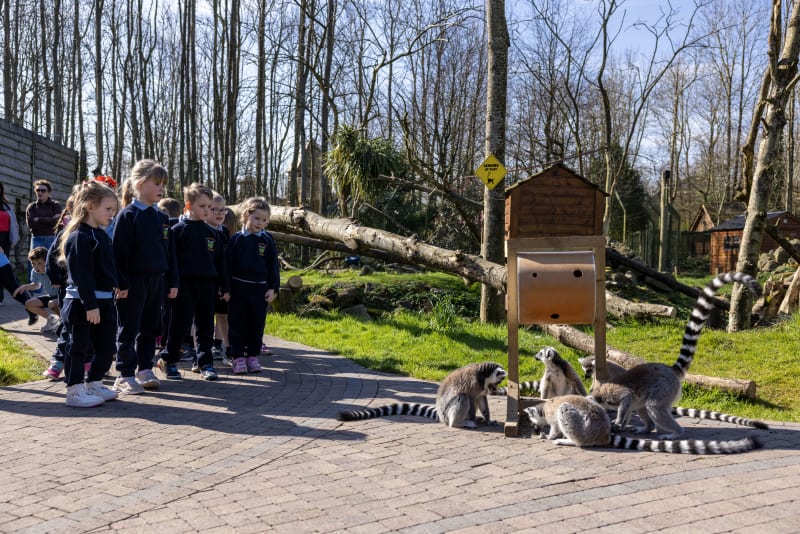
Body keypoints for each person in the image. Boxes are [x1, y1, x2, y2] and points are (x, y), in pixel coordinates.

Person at [112, 160, 178, 395]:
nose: (162, 189)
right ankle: (124, 374)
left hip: (157, 281)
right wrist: (122, 283)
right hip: (132, 282)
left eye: (164, 185)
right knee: (129, 327)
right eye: (157, 183)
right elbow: (119, 253)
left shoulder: (161, 217)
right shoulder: (127, 215)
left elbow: (169, 253)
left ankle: (144, 368)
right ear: (140, 184)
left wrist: (172, 281)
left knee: (151, 326)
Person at [156, 183, 228, 381]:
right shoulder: (178, 230)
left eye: (209, 207)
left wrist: (224, 285)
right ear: (188, 206)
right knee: (180, 325)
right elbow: (172, 260)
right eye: (203, 206)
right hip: (183, 286)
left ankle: (205, 363)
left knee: (205, 325)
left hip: (207, 286)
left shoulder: (214, 233)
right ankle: (169, 360)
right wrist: (173, 283)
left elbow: (220, 262)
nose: (207, 210)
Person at [57, 180, 120, 407]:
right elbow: (82, 274)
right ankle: (74, 390)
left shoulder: (101, 234)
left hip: (104, 301)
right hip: (81, 303)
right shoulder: (79, 236)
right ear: (90, 206)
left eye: (113, 210)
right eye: (108, 209)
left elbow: (108, 267)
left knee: (106, 346)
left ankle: (94, 382)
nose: (111, 214)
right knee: (78, 346)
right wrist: (90, 304)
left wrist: (117, 285)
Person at [225, 197, 280, 374]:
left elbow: (273, 266)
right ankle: (238, 357)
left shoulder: (267, 240)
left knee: (256, 324)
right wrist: (226, 288)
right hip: (239, 289)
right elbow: (227, 265)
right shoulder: (236, 240)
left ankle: (253, 356)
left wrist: (273, 288)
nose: (260, 223)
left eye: (265, 220)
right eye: (257, 218)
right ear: (246, 216)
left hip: (260, 290)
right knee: (237, 324)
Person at [205, 192, 230, 361]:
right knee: (204, 317)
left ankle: (222, 346)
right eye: (215, 210)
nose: (220, 214)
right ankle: (199, 348)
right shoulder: (202, 230)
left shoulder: (225, 232)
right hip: (205, 280)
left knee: (223, 314)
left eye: (223, 210)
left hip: (221, 280)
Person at [14, 247, 60, 332]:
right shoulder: (35, 272)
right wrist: (24, 287)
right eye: (33, 264)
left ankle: (64, 322)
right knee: (29, 304)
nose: (36, 267)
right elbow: (36, 286)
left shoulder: (54, 269)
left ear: (47, 261)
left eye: (39, 263)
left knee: (52, 304)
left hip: (61, 296)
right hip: (50, 296)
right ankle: (51, 320)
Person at [26, 179, 61, 252]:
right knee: (35, 261)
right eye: (38, 190)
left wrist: (39, 219)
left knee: (52, 262)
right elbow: (31, 225)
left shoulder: (55, 205)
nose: (40, 192)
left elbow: (56, 222)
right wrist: (50, 220)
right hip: (37, 239)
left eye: (43, 190)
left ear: (49, 192)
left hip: (52, 239)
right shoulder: (31, 207)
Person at [0, 182, 20, 305]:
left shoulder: (5, 205)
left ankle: (0, 297)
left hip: (4, 239)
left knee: (3, 268)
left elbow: (12, 222)